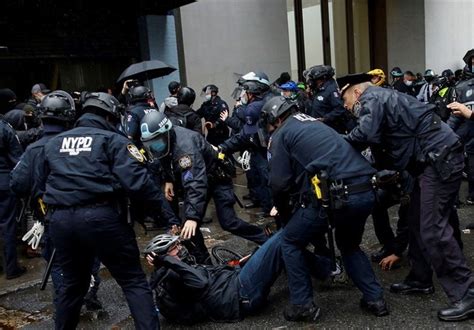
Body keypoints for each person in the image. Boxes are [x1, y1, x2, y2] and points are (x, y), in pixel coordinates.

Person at [339, 72, 474, 322]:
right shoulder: (385, 97)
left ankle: (467, 293)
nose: (346, 107)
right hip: (431, 160)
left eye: (346, 100)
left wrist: (334, 144)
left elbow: (365, 134)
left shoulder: (372, 98)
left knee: (433, 227)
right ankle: (421, 278)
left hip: (438, 159)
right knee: (417, 219)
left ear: (357, 92)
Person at [37, 92, 160, 329]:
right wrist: (164, 215)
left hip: (61, 220)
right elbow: (139, 184)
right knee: (133, 281)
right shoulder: (113, 140)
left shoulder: (53, 143)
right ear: (110, 115)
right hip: (102, 217)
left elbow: (36, 183)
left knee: (72, 285)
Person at [263, 96, 387, 321]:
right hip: (365, 190)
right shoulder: (314, 123)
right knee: (350, 245)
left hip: (337, 196)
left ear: (275, 117)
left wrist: (283, 212)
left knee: (290, 241)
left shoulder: (281, 134)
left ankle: (302, 306)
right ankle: (375, 299)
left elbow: (279, 183)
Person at [10, 90, 106, 312]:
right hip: (87, 215)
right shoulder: (84, 142)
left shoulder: (34, 150)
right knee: (89, 258)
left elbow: (18, 183)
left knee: (61, 264)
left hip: (52, 219)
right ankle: (90, 297)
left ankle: (67, 307)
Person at [140, 111, 268, 264]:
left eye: (156, 141)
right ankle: (205, 266)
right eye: (150, 143)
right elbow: (166, 160)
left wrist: (193, 217)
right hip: (200, 178)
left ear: (166, 132)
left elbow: (195, 183)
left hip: (217, 179)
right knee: (187, 230)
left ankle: (266, 239)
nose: (154, 145)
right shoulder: (165, 141)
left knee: (228, 221)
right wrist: (168, 180)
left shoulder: (186, 148)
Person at [145, 232, 335, 324]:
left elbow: (207, 269)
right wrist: (169, 262)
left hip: (235, 282)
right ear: (165, 256)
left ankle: (326, 269)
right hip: (240, 294)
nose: (180, 249)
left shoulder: (178, 268)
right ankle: (329, 271)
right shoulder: (171, 276)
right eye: (175, 248)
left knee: (278, 245)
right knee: (283, 239)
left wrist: (240, 263)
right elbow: (202, 282)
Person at [218, 72, 273, 215]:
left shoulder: (254, 107)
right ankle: (266, 205)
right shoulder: (265, 101)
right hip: (258, 146)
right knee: (258, 177)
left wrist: (223, 148)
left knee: (265, 178)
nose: (243, 94)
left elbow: (245, 133)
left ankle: (270, 208)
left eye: (245, 90)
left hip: (265, 149)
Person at [0, 88, 25, 279]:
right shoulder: (4, 128)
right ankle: (11, 268)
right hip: (4, 182)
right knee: (8, 225)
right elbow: (18, 161)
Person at [304, 65, 354, 133]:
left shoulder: (331, 90)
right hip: (317, 128)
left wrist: (325, 118)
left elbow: (339, 108)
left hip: (330, 128)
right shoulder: (318, 89)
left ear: (321, 79)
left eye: (314, 80)